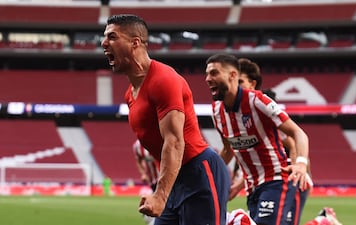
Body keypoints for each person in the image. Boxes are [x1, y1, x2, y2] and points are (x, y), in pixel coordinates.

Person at [101, 14, 230, 225]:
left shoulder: (163, 80)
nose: (103, 43)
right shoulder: (130, 94)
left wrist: (160, 196)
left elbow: (175, 141)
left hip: (199, 174)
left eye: (112, 37)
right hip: (173, 179)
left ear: (135, 43)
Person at [205, 53, 310, 225]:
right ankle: (322, 222)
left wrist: (300, 163)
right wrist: (207, 175)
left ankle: (238, 220)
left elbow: (298, 133)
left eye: (214, 73)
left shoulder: (258, 101)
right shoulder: (216, 111)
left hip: (276, 179)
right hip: (251, 187)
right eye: (207, 74)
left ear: (232, 75)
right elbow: (227, 150)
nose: (208, 79)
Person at [238, 58, 313, 225]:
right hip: (264, 183)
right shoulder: (238, 116)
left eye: (240, 81)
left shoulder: (262, 110)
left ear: (252, 84)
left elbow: (292, 142)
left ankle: (322, 222)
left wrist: (296, 167)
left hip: (287, 177)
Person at [133, 139, 160, 225]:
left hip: (164, 180)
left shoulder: (159, 140)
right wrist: (143, 173)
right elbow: (138, 160)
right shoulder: (137, 146)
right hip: (153, 182)